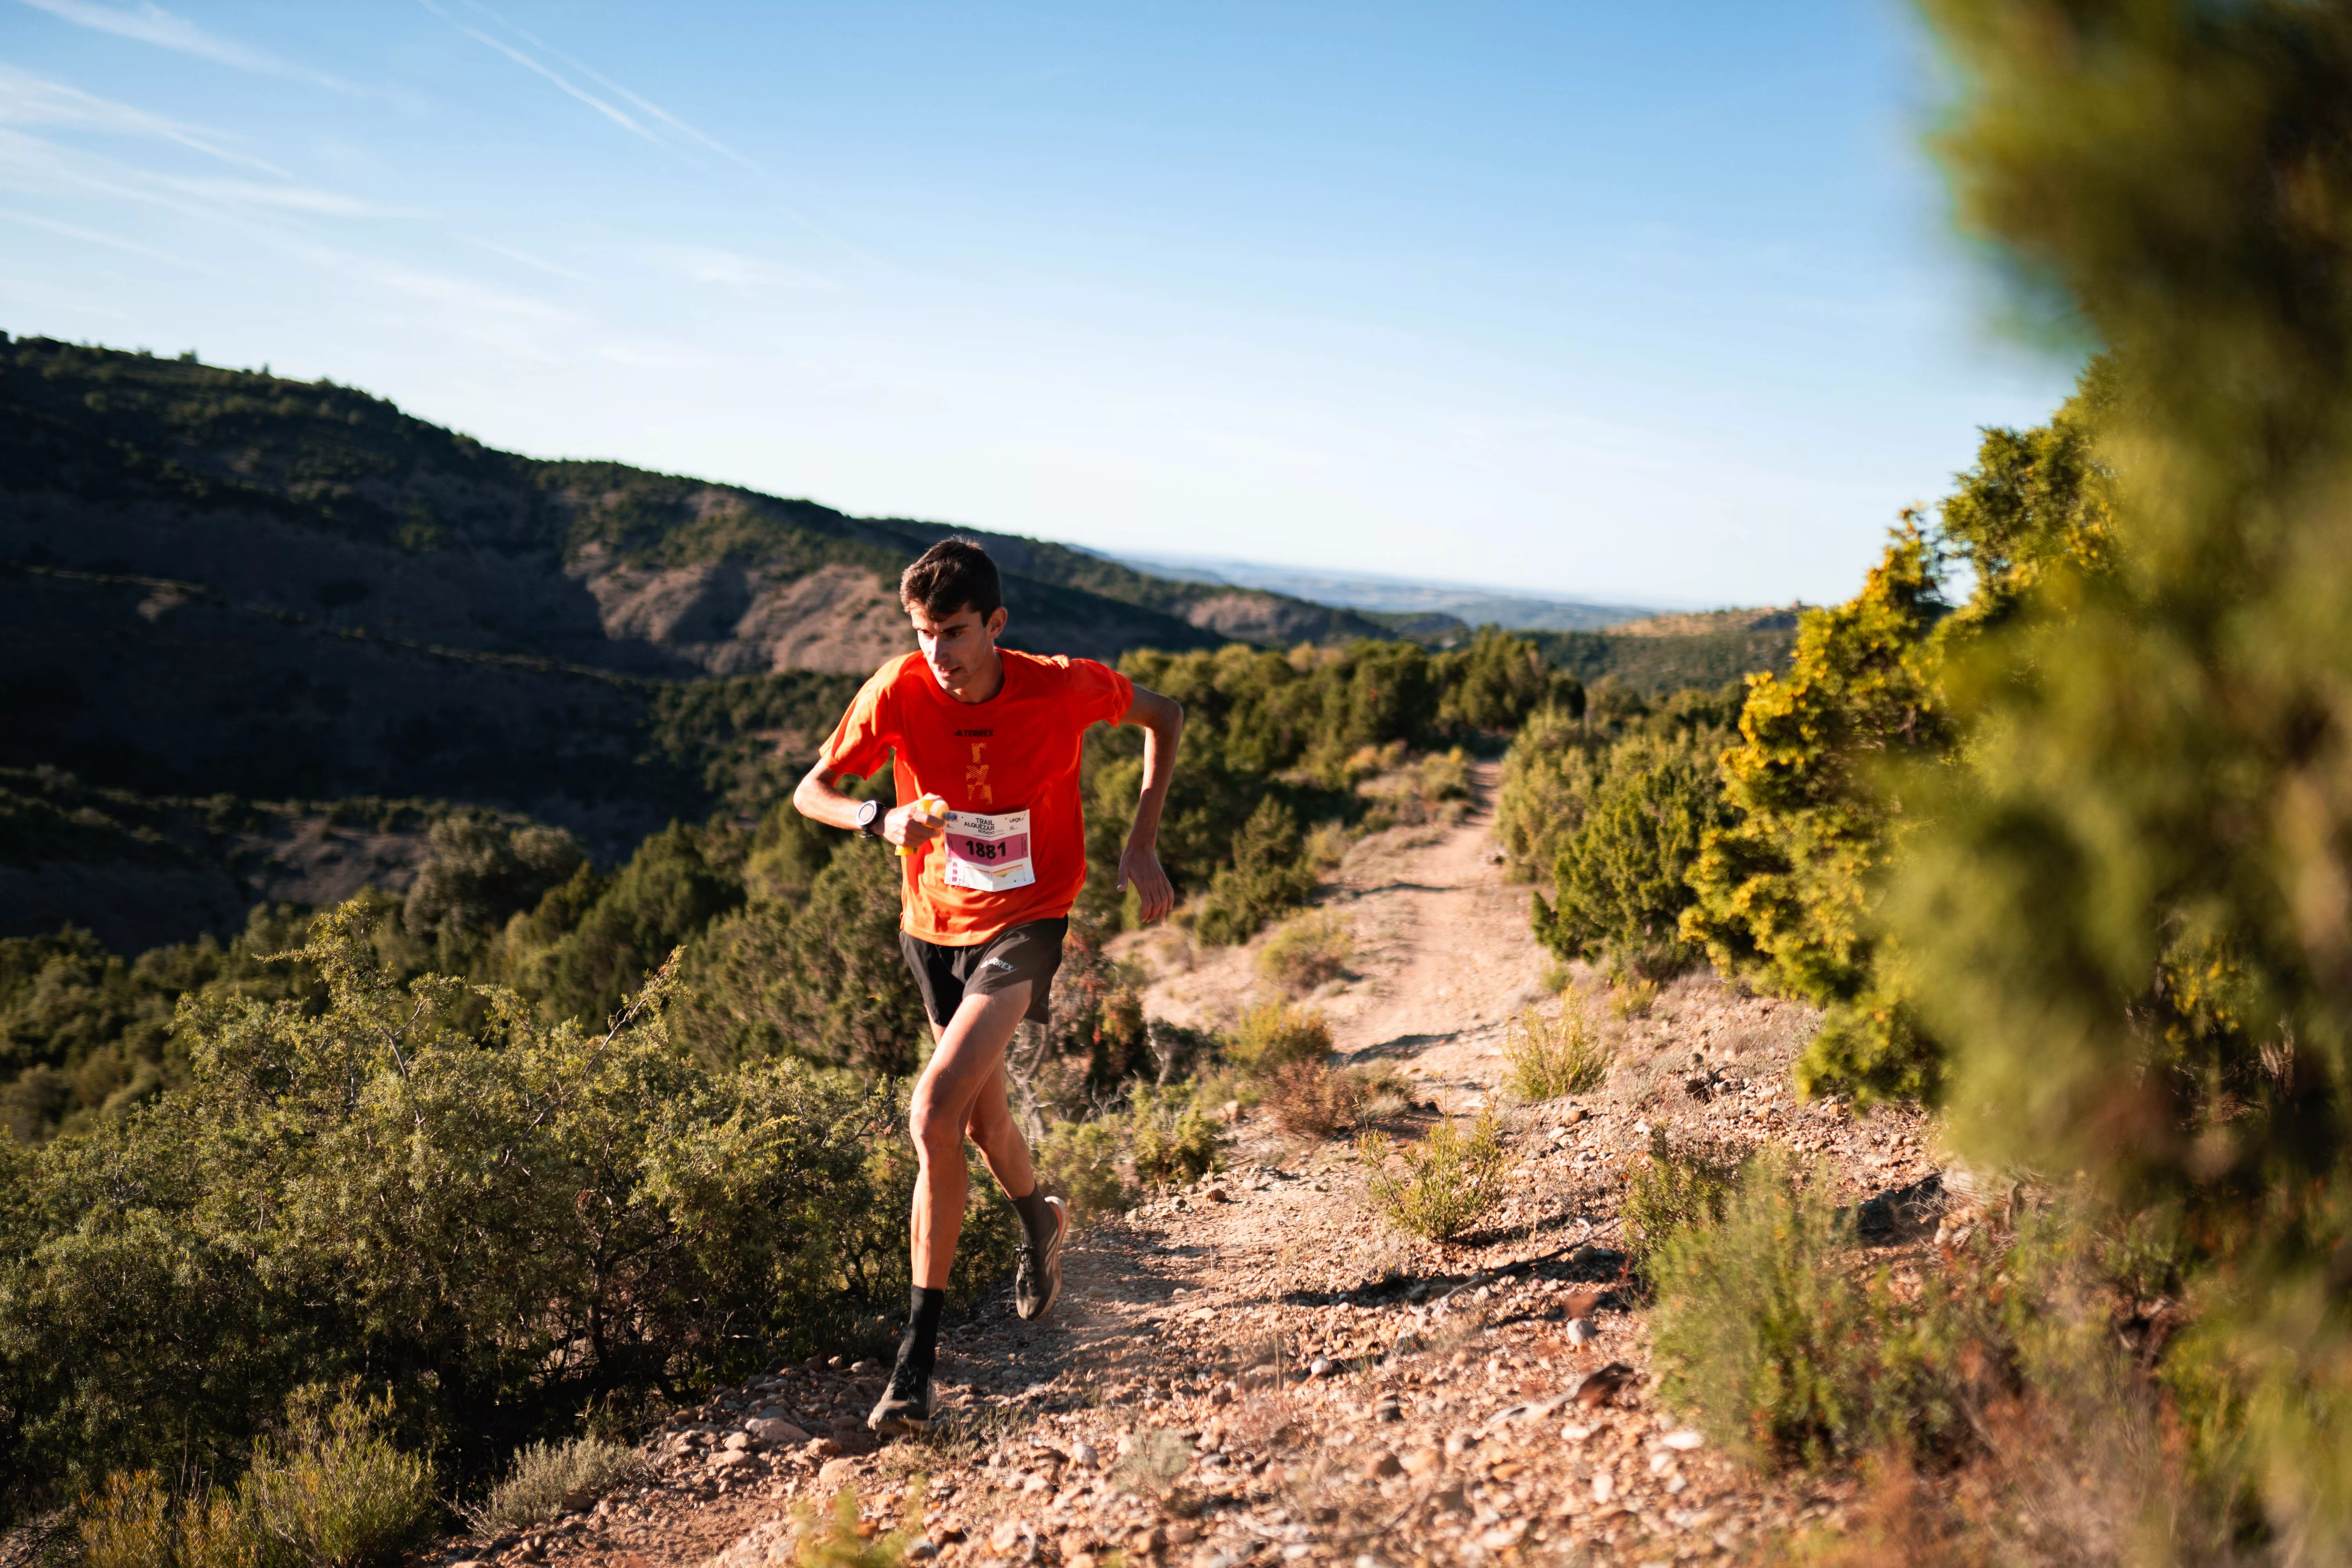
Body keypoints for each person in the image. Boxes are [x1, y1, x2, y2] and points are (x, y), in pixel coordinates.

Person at [792, 537, 1183, 1435]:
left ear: (996, 624)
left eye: (956, 632)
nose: (938, 651)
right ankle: (1040, 1217)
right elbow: (813, 789)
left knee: (932, 1111)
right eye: (924, 631)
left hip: (1030, 919)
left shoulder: (1059, 684)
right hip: (931, 930)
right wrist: (877, 816)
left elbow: (1165, 715)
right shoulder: (897, 688)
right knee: (977, 1118)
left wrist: (1140, 841)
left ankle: (914, 1368)